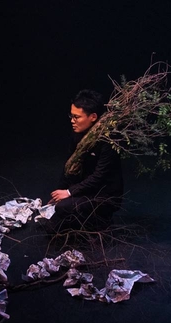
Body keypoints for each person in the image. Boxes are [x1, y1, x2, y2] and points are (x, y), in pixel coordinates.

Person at [42, 88, 124, 234]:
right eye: (71, 116)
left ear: (93, 117)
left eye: (76, 117)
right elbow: (69, 166)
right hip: (85, 187)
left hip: (104, 194)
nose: (72, 121)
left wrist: (69, 192)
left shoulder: (109, 140)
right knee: (51, 225)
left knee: (62, 209)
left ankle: (100, 220)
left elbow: (100, 176)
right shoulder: (78, 134)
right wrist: (59, 192)